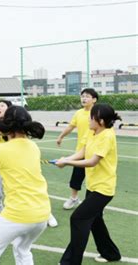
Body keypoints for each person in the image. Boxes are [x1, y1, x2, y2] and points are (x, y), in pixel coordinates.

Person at [0, 106, 51, 264]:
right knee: (22, 249)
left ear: (6, 125)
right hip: (42, 214)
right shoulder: (33, 147)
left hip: (18, 214)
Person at [55, 104, 122, 264]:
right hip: (93, 186)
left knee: (78, 218)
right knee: (95, 220)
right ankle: (110, 253)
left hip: (103, 189)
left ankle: (70, 262)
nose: (88, 119)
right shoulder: (92, 132)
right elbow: (83, 152)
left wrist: (67, 163)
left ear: (100, 120)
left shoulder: (107, 135)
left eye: (91, 117)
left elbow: (92, 162)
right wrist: (66, 159)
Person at [56, 88, 99, 210]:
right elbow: (70, 127)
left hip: (95, 151)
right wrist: (60, 137)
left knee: (95, 179)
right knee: (77, 176)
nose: (84, 98)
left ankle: (96, 204)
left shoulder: (97, 113)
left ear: (94, 99)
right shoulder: (79, 113)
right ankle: (74, 198)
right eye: (82, 96)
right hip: (81, 151)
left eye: (87, 96)